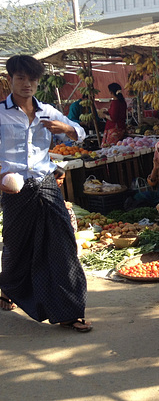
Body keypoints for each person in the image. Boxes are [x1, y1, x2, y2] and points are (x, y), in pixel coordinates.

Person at [0, 55, 92, 332]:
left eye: (32, 79)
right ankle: (8, 287)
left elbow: (80, 133)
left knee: (63, 245)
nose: (27, 84)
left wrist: (66, 128)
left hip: (46, 185)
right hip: (14, 190)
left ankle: (70, 310)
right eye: (21, 78)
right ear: (11, 80)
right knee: (17, 247)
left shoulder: (48, 112)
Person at [98, 82, 127, 147]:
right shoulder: (122, 101)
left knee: (109, 147)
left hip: (114, 129)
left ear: (111, 92)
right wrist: (108, 112)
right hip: (121, 127)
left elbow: (113, 118)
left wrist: (105, 115)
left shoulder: (115, 102)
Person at [53, 166, 78, 232]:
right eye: (59, 178)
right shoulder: (46, 191)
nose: (61, 182)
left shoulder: (56, 191)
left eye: (63, 179)